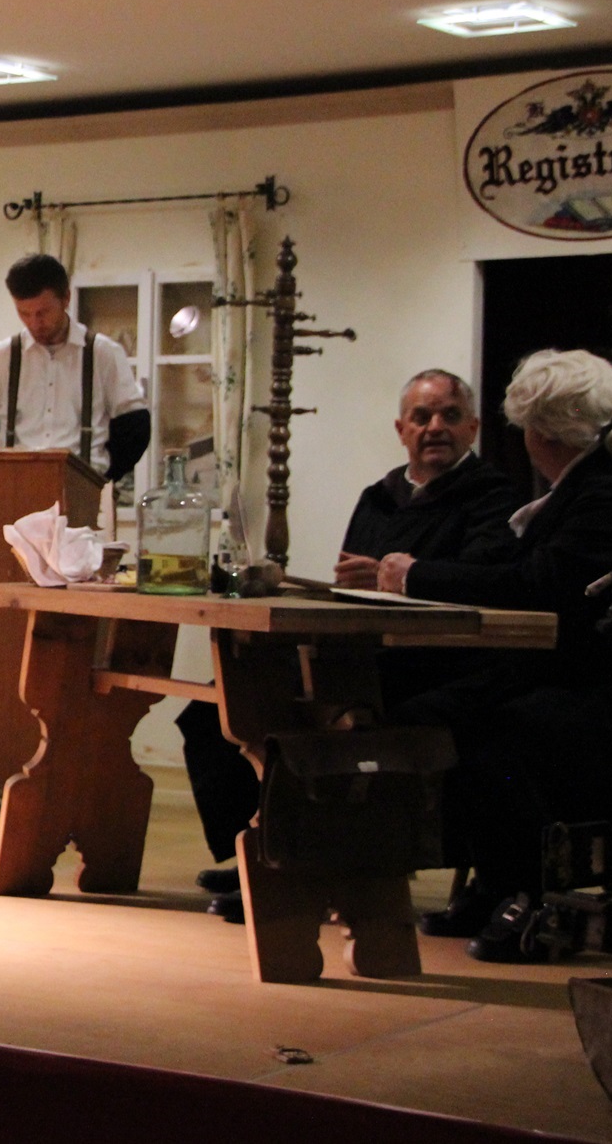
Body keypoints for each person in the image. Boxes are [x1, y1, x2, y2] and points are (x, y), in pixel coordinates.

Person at [179, 369, 522, 921]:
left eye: (450, 415)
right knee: (221, 707)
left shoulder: (492, 496)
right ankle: (257, 850)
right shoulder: (379, 498)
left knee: (323, 721)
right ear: (401, 430)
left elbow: (485, 577)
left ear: (473, 427)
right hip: (360, 649)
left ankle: (306, 866)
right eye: (421, 417)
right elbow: (352, 579)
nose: (435, 427)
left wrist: (403, 577)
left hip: (435, 661)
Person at [378, 349, 612, 962]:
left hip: (596, 693)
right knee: (426, 711)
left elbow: (539, 584)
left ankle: (527, 895)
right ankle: (493, 880)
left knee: (487, 729)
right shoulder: (585, 488)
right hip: (559, 674)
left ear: (541, 432)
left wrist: (418, 575)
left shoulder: (608, 495)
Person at [0, 253, 150, 485]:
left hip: (83, 488)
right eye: (24, 313)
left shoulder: (103, 354)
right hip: (14, 487)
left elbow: (134, 428)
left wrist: (105, 476)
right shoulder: (1, 358)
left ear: (66, 298)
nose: (34, 323)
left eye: (43, 312)